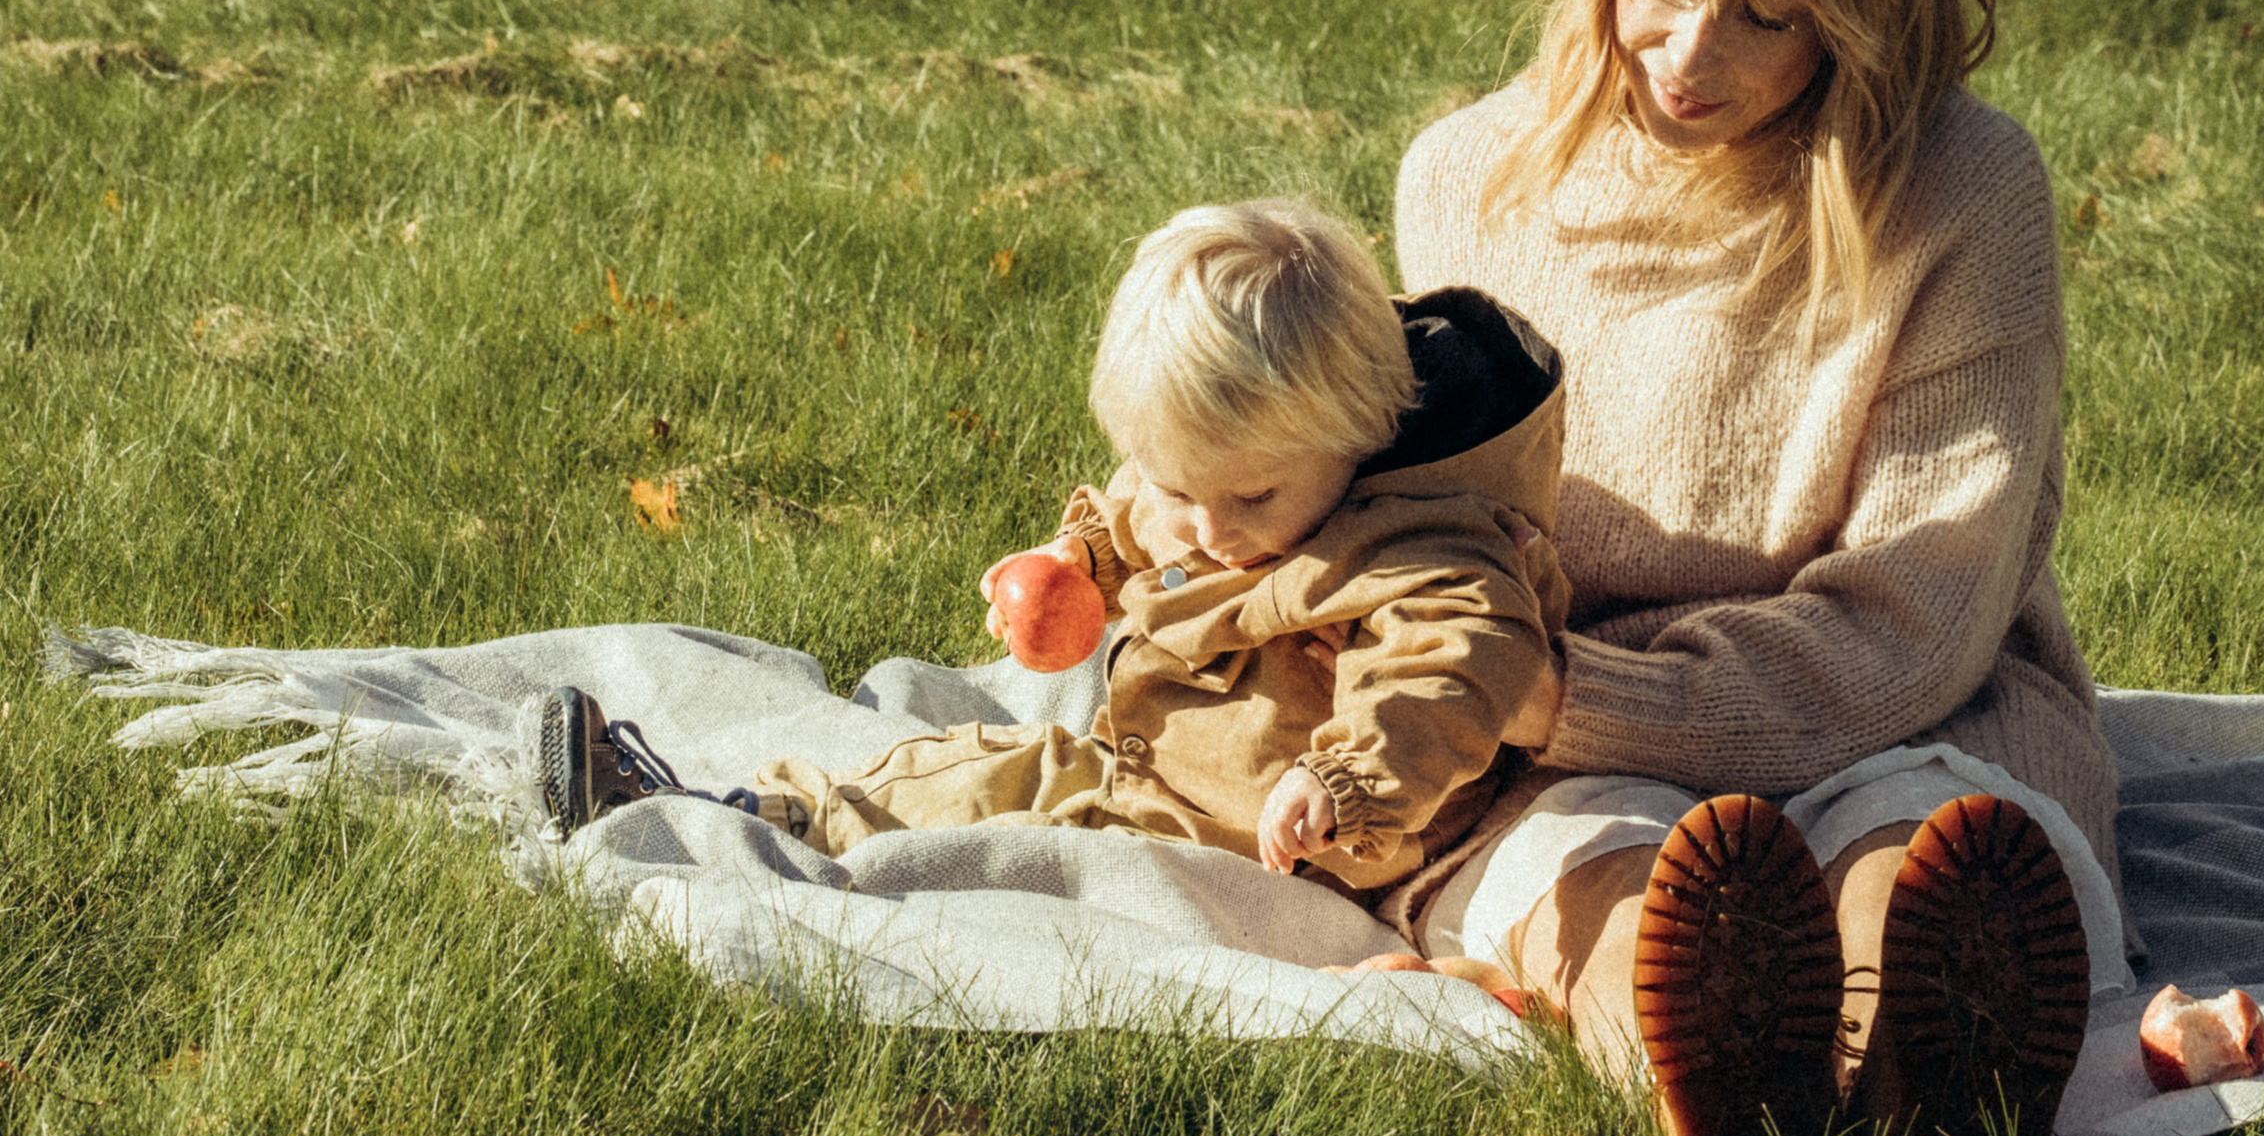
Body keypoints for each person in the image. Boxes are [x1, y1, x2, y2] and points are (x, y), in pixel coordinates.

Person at [1389, 0, 2123, 1136]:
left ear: (1853, 13)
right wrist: (1512, 689)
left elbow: (1920, 610)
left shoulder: (1962, 188)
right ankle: (1723, 1106)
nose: (1689, 54)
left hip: (1900, 711)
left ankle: (1921, 1089)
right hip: (1563, 739)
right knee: (1620, 902)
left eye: (1766, 14)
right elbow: (1429, 523)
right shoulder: (1466, 176)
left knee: (1919, 869)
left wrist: (1578, 695)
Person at [541, 200, 1573, 905]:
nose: (1208, 530)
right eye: (1178, 486)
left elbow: (1449, 667)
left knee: (1006, 854)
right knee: (976, 769)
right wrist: (1077, 563)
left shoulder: (1422, 541)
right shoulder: (1214, 486)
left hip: (1284, 847)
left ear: (1360, 430)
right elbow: (1136, 516)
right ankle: (742, 814)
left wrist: (1346, 784)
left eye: (1251, 497)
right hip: (1143, 776)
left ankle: (787, 857)